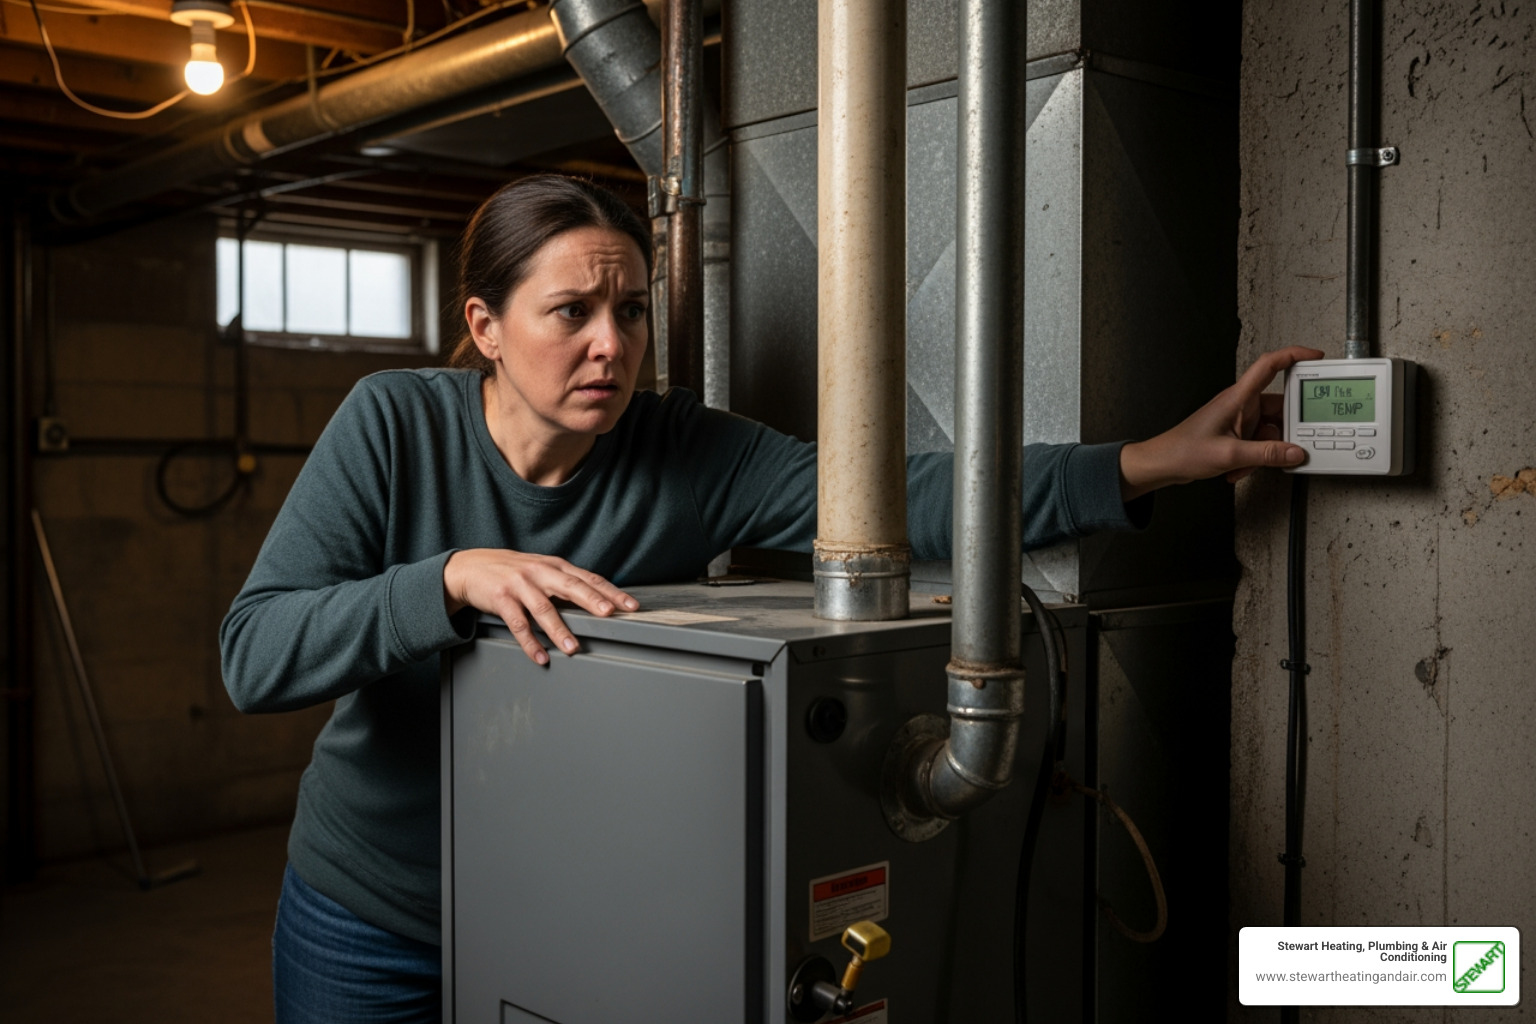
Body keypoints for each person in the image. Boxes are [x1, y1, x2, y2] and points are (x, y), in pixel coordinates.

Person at [220, 173, 1322, 1022]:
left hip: (567, 903)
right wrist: (450, 577)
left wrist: (1149, 462)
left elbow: (905, 496)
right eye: (570, 313)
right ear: (485, 326)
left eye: (632, 311)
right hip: (371, 907)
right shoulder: (392, 424)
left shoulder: (688, 452)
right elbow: (255, 652)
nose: (613, 346)